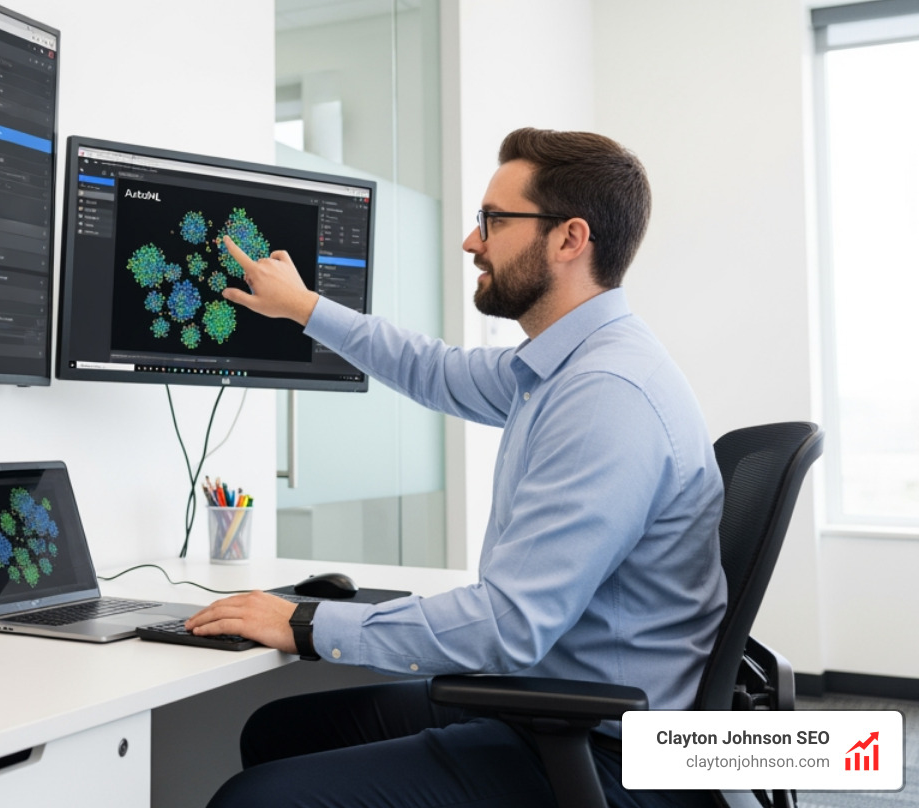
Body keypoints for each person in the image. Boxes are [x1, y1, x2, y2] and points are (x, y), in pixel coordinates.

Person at [187, 128, 726, 808]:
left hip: (605, 751)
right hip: (561, 705)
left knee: (256, 799)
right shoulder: (568, 367)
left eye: (493, 222)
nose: (473, 242)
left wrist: (303, 623)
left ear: (569, 239)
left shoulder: (606, 396)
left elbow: (507, 624)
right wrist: (305, 308)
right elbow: (433, 370)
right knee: (282, 730)